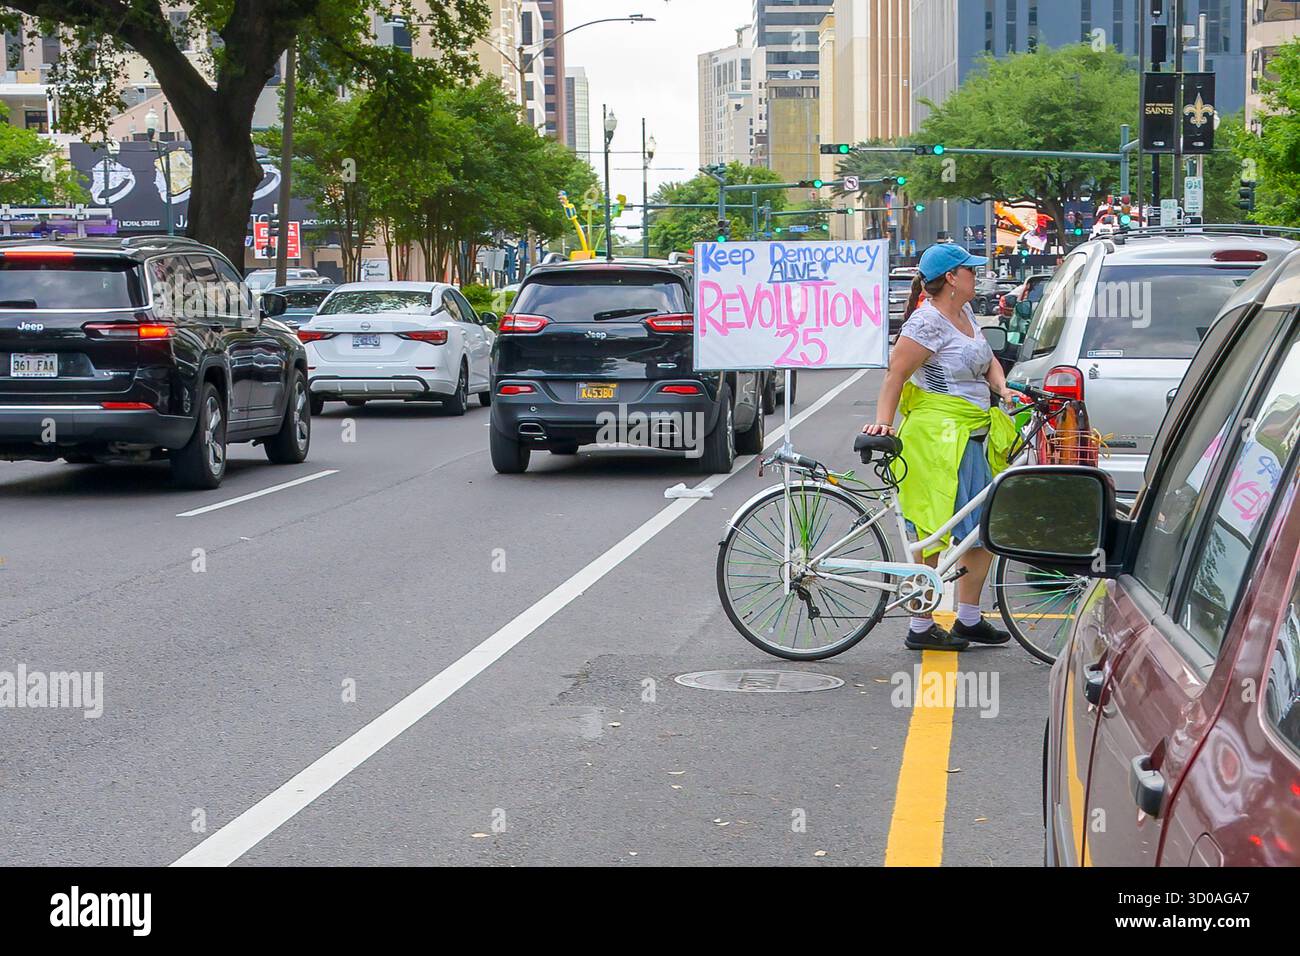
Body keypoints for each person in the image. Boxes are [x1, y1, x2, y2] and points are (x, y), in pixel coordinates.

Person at [862, 243, 1019, 651]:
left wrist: (1001, 388)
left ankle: (968, 617)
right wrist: (884, 422)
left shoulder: (964, 314)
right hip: (937, 438)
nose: (976, 275)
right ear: (951, 278)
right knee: (932, 532)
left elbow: (988, 361)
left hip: (973, 435)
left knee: (981, 532)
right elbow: (896, 374)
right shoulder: (926, 323)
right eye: (969, 270)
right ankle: (920, 624)